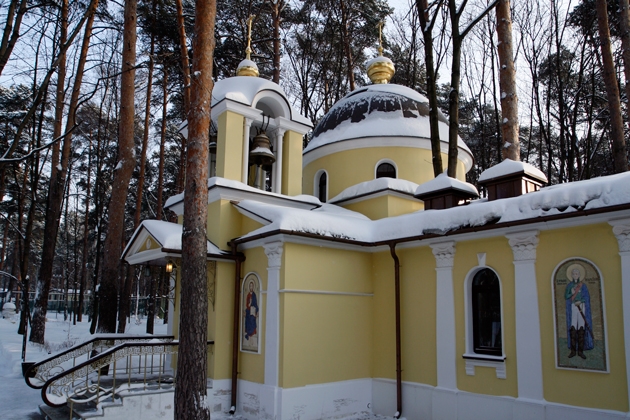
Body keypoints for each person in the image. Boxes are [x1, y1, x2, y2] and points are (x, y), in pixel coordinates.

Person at [564, 264, 593, 359]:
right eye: (573, 273)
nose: (575, 275)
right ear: (571, 275)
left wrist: (581, 301)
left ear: (579, 275)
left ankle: (580, 351)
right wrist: (571, 293)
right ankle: (573, 351)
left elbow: (586, 297)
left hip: (581, 307)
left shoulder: (583, 286)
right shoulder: (569, 286)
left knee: (581, 328)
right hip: (573, 307)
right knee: (573, 328)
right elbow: (566, 296)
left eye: (577, 273)